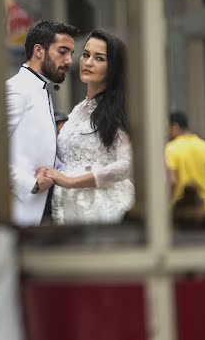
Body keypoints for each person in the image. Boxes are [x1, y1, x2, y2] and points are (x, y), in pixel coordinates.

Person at [0, 20, 78, 226]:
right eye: (63, 51)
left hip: (45, 215)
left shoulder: (40, 89)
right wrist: (30, 184)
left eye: (71, 54)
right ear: (39, 50)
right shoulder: (16, 89)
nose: (69, 60)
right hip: (19, 217)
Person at [39, 29, 134, 224]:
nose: (88, 62)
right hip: (69, 205)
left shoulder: (119, 110)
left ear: (113, 67)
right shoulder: (78, 110)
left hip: (102, 207)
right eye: (85, 55)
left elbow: (127, 165)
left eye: (99, 58)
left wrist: (71, 182)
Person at [165, 111, 205, 214]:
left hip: (181, 209)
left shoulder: (170, 149)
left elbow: (172, 181)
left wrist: (165, 206)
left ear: (175, 127)